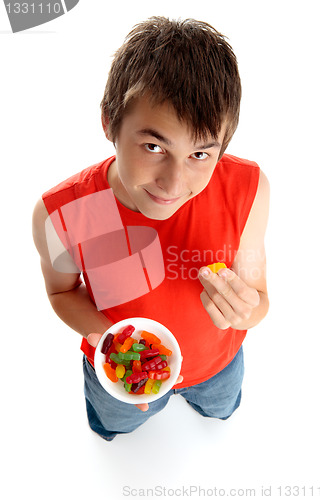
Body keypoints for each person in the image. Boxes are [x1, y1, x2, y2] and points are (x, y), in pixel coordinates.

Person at [32, 16, 270, 441]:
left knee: (222, 411)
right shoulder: (61, 213)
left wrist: (247, 309)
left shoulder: (249, 189)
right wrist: (113, 345)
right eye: (154, 146)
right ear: (109, 122)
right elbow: (61, 292)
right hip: (118, 373)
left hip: (218, 364)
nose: (174, 183)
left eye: (200, 153)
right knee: (114, 427)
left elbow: (259, 295)